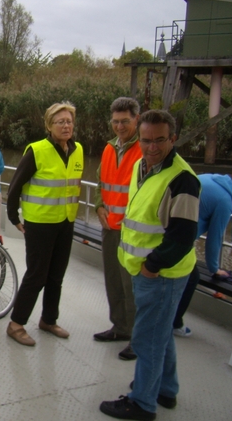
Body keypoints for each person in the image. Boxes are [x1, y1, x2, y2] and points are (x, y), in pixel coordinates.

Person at [100, 110, 201, 420]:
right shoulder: (142, 167)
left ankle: (142, 403)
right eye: (146, 140)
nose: (152, 146)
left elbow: (183, 237)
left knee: (147, 337)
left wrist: (152, 266)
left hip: (161, 274)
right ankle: (166, 390)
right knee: (160, 333)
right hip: (142, 268)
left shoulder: (182, 179)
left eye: (160, 140)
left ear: (172, 138)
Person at [6, 101, 83, 346]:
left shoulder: (78, 149)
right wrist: (13, 218)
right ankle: (16, 324)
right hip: (39, 223)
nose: (66, 125)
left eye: (69, 121)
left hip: (66, 221)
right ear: (49, 126)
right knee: (36, 275)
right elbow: (15, 186)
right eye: (60, 121)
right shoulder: (36, 151)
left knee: (56, 276)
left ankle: (48, 320)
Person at [173, 172, 232, 337]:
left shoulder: (216, 179)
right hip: (175, 238)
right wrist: (214, 269)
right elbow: (214, 238)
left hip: (167, 228)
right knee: (192, 277)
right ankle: (174, 323)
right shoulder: (225, 201)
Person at [93, 97, 141, 361]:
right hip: (109, 227)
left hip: (134, 232)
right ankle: (120, 328)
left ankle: (137, 337)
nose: (120, 126)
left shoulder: (145, 150)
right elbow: (101, 181)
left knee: (131, 287)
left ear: (136, 119)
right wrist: (99, 205)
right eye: (115, 121)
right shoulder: (109, 148)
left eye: (125, 121)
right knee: (113, 281)